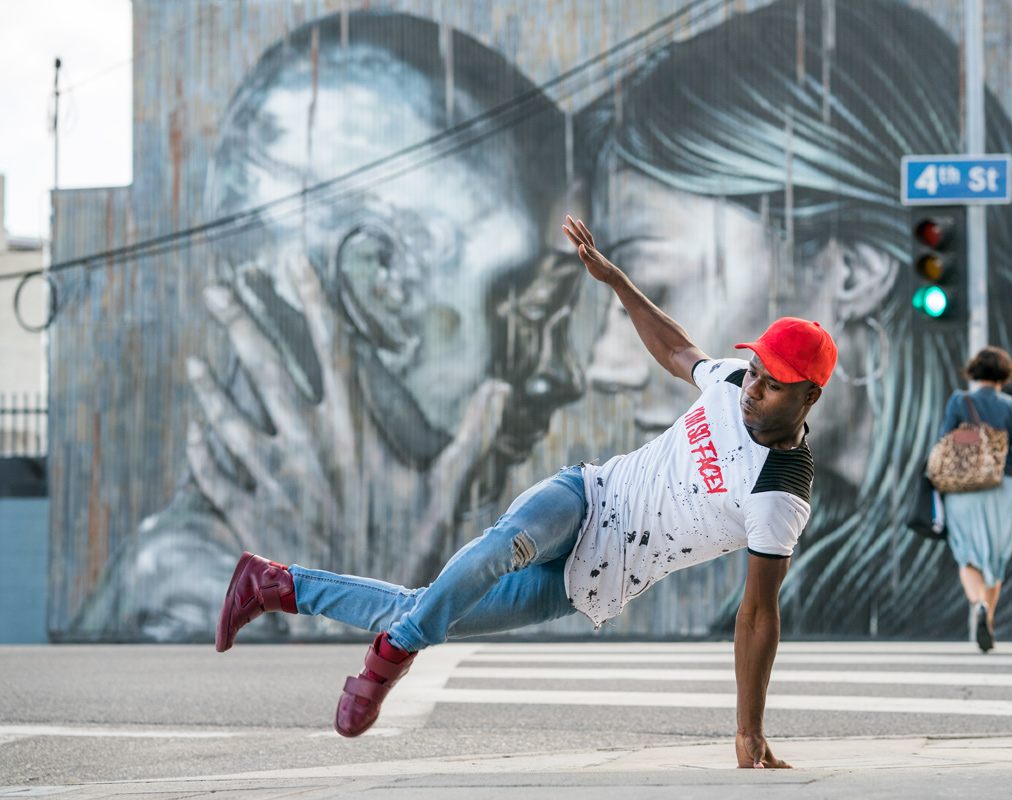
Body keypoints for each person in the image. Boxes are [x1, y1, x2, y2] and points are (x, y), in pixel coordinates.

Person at [216, 216, 835, 769]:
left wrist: (748, 732)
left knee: (428, 606)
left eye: (772, 383)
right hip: (587, 496)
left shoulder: (778, 494)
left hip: (593, 580)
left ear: (808, 396)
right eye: (753, 370)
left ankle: (275, 585)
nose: (752, 388)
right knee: (501, 547)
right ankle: (390, 658)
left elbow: (757, 615)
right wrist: (614, 279)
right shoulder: (729, 383)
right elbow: (676, 348)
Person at [565, 0, 1012, 640]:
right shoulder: (807, 528)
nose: (601, 367)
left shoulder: (803, 517)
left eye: (658, 276)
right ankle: (987, 604)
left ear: (851, 272)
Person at [68, 11, 582, 641]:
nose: (566, 377)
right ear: (379, 286)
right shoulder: (178, 598)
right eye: (528, 306)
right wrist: (366, 594)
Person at [937, 347, 1012, 652]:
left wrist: (939, 490)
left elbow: (942, 443)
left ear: (974, 371)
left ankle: (979, 605)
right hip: (1004, 487)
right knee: (996, 557)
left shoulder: (959, 400)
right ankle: (988, 619)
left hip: (962, 489)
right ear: (1004, 375)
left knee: (968, 554)